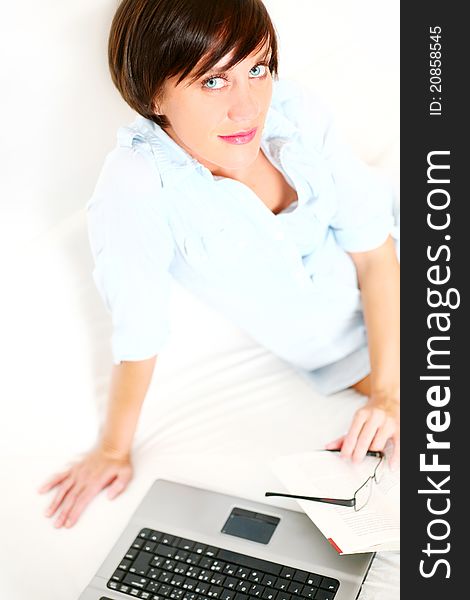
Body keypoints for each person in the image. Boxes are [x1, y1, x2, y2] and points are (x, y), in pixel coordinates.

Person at [38, 0, 399, 529]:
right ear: (152, 94)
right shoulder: (137, 186)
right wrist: (113, 450)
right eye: (213, 82)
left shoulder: (293, 110)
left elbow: (374, 251)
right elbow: (139, 332)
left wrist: (390, 394)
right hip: (360, 354)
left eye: (257, 68)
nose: (248, 108)